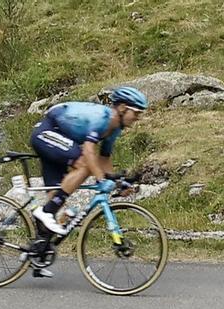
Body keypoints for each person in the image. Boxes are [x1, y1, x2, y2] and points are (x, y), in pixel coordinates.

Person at [28, 86, 149, 240]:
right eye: (136, 113)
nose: (138, 117)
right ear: (123, 108)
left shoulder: (115, 128)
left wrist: (117, 182)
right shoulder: (102, 118)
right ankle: (45, 211)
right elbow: (88, 151)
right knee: (85, 166)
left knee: (57, 206)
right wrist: (100, 179)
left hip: (59, 137)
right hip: (46, 133)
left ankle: (37, 248)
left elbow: (104, 159)